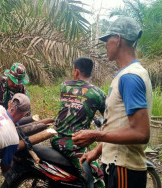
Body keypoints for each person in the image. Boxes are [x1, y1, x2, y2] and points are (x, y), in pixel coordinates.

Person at [72, 17, 152, 188]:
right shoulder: (125, 75)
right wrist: (97, 150)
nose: (105, 45)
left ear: (118, 39)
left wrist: (95, 135)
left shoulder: (130, 77)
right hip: (117, 166)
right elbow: (117, 126)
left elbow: (141, 133)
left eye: (107, 40)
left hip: (124, 169)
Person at [51, 57, 106, 188]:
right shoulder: (98, 93)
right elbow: (109, 115)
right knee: (98, 181)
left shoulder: (65, 85)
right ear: (90, 73)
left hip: (55, 137)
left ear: (76, 72)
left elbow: (72, 105)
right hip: (72, 145)